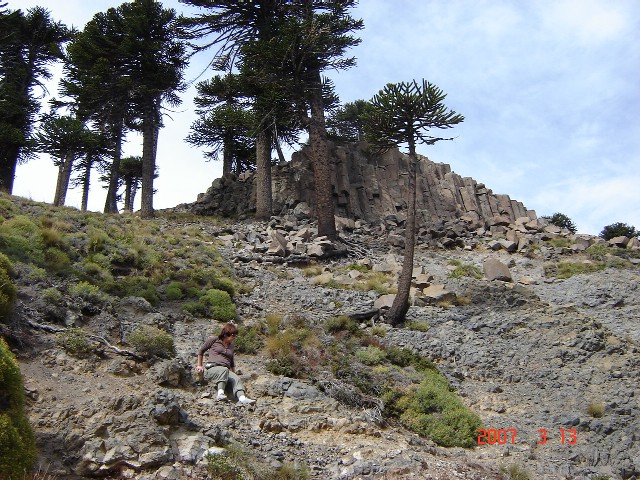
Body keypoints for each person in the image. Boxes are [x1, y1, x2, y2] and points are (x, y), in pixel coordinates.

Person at [195, 322, 255, 404]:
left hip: (225, 370)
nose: (234, 337)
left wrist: (233, 374)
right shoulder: (214, 340)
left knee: (236, 378)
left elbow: (232, 362)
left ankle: (242, 398)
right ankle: (220, 394)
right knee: (223, 370)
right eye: (233, 335)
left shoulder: (231, 347)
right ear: (227, 333)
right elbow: (201, 351)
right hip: (212, 369)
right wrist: (199, 365)